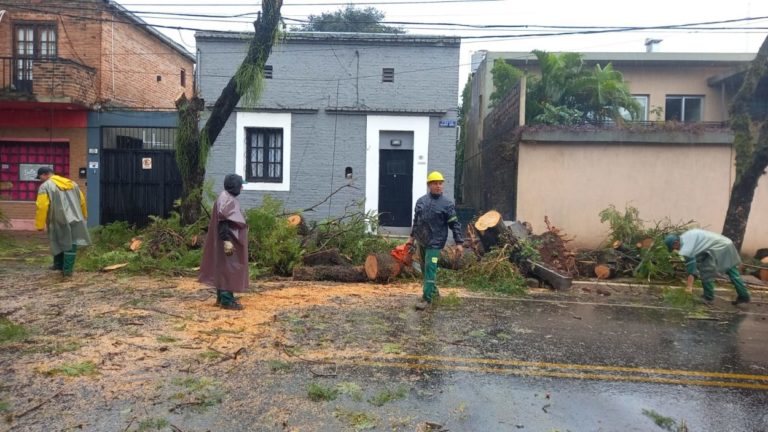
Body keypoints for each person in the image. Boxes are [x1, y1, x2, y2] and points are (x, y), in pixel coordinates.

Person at [406, 171, 463, 310]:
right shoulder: (421, 202)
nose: (438, 186)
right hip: (422, 240)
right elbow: (416, 221)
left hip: (435, 243)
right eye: (435, 183)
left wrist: (459, 243)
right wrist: (411, 237)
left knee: (430, 268)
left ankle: (427, 299)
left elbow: (454, 224)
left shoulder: (447, 204)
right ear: (429, 185)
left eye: (440, 183)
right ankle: (434, 292)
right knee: (425, 269)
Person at [199, 174, 249, 310]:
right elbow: (223, 221)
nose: (242, 188)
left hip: (227, 239)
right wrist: (227, 240)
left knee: (224, 267)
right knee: (229, 268)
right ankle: (227, 301)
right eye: (240, 185)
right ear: (235, 186)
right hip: (229, 240)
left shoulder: (225, 197)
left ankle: (222, 298)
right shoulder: (227, 200)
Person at [664, 229, 750, 306]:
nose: (677, 250)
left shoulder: (686, 246)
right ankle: (744, 296)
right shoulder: (686, 237)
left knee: (706, 271)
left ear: (676, 243)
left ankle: (708, 297)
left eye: (674, 248)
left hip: (718, 247)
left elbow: (691, 268)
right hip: (725, 243)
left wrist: (689, 287)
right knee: (732, 271)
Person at [34, 167, 91, 276]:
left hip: (57, 219)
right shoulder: (72, 183)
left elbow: (41, 206)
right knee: (72, 242)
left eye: (40, 177)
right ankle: (67, 269)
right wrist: (84, 215)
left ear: (45, 174)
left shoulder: (45, 186)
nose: (40, 179)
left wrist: (40, 224)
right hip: (75, 218)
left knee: (57, 240)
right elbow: (82, 200)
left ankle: (60, 266)